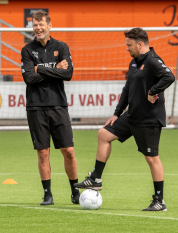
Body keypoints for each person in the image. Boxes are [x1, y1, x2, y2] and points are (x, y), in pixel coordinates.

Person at [75, 28, 175, 211]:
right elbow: (127, 89)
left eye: (129, 45)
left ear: (140, 44)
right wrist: (116, 113)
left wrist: (152, 91)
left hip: (148, 119)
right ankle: (96, 179)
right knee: (103, 134)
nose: (126, 48)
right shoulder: (134, 63)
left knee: (152, 158)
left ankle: (159, 201)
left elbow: (169, 76)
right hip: (131, 116)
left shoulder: (153, 60)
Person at [21, 11, 79, 205]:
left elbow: (68, 73)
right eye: (34, 25)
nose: (38, 28)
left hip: (58, 106)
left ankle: (75, 191)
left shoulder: (61, 46)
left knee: (68, 151)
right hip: (36, 107)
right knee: (43, 152)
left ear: (49, 25)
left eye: (41, 24)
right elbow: (29, 78)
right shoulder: (27, 50)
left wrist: (40, 69)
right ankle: (47, 194)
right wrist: (56, 69)